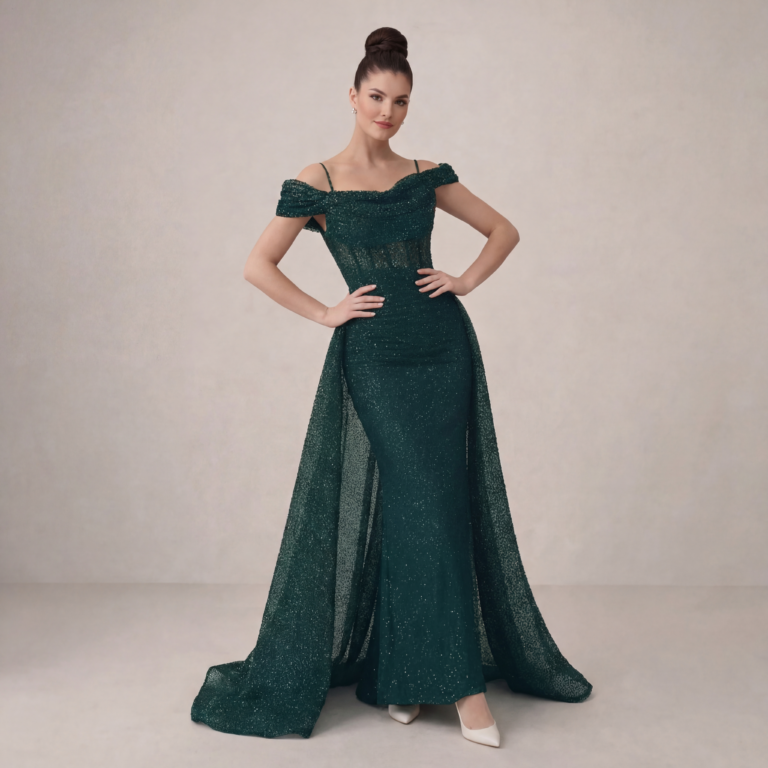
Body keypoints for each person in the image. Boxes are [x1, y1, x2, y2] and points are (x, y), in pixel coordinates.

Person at [190, 26, 592, 748]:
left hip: (444, 349)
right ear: (352, 96)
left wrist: (465, 280)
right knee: (421, 501)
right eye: (376, 97)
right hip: (374, 358)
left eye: (401, 101)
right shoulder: (317, 181)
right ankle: (462, 688)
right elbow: (258, 264)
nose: (388, 112)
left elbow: (503, 230)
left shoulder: (425, 172)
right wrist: (325, 312)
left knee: (432, 507)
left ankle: (407, 677)